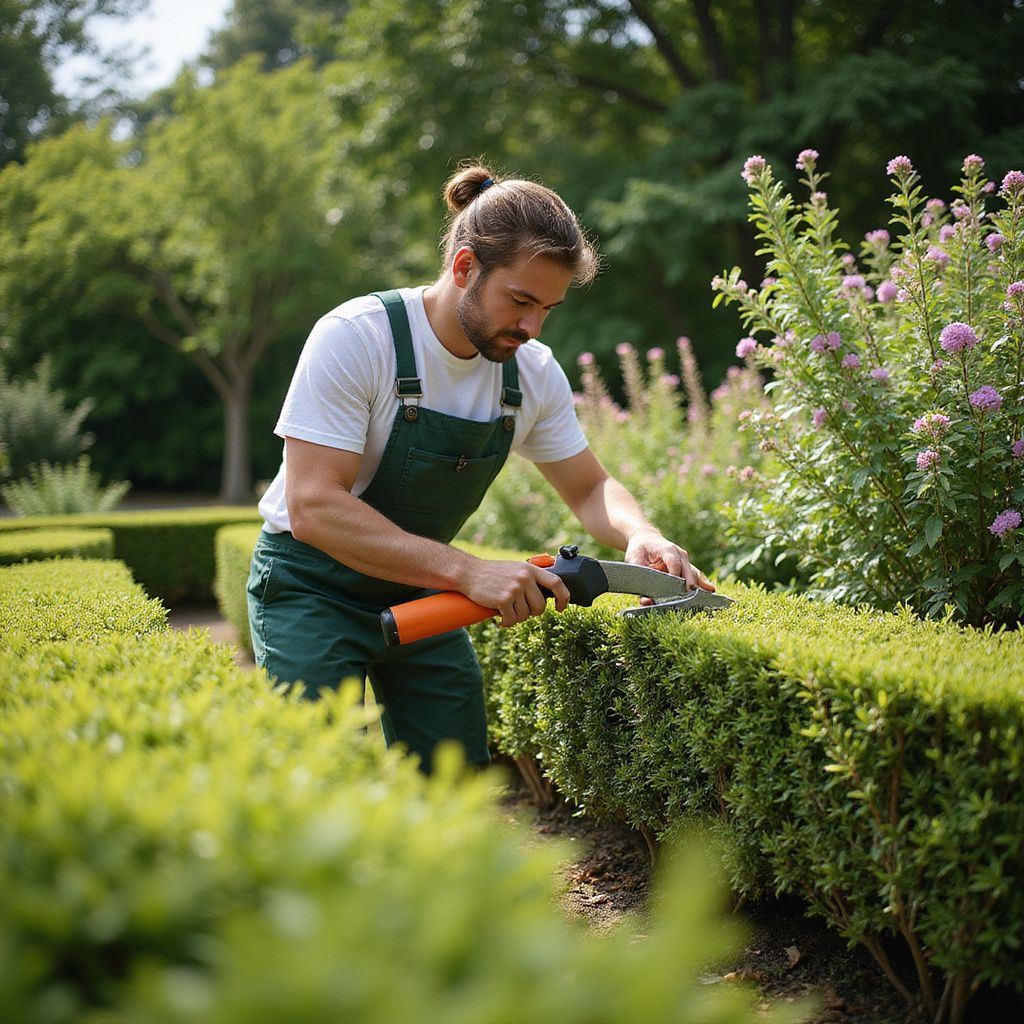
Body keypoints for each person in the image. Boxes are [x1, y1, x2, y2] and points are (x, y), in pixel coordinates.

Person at [247, 162, 714, 772]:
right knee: (310, 776)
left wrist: (639, 532)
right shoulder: (358, 337)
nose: (532, 327)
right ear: (464, 268)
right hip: (310, 586)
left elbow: (591, 485)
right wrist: (468, 571)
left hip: (425, 587)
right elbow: (313, 507)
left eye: (547, 308)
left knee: (454, 780)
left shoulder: (532, 371)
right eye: (520, 301)